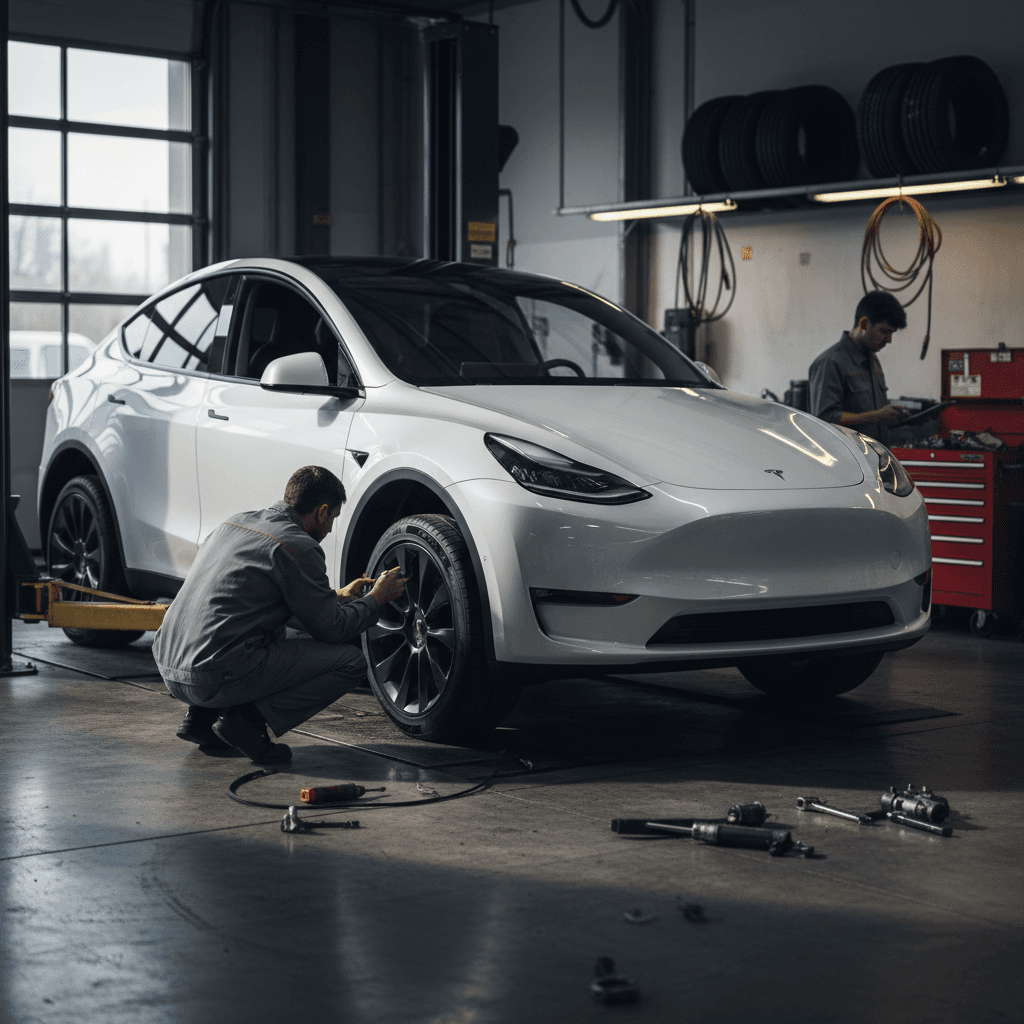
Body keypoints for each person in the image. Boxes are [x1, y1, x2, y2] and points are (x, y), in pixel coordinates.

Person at [153, 466, 406, 765]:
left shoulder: (233, 523)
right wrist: (377, 599)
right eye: (333, 520)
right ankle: (247, 723)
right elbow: (334, 629)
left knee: (261, 627)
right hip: (209, 677)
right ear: (322, 512)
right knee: (350, 663)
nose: (328, 530)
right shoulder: (299, 546)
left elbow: (245, 599)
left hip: (169, 667)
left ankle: (200, 717)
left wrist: (336, 596)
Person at [808, 290, 908, 444]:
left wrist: (894, 415)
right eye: (884, 331)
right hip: (847, 464)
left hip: (876, 460)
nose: (888, 340)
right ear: (864, 324)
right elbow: (824, 419)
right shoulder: (830, 362)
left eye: (892, 333)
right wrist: (877, 416)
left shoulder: (873, 360)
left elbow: (874, 410)